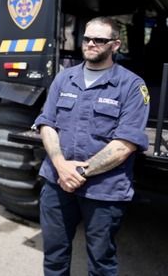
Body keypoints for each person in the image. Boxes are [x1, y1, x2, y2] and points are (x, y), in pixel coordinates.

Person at [35, 16, 150, 275]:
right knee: (54, 257)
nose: (91, 44)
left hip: (104, 191)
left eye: (100, 40)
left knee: (101, 263)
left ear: (115, 45)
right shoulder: (64, 79)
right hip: (56, 184)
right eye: (87, 38)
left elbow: (125, 143)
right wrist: (60, 166)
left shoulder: (132, 86)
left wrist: (79, 173)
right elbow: (47, 124)